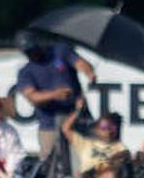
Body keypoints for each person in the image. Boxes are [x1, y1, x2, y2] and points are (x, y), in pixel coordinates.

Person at [15, 31, 96, 160]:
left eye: (33, 49)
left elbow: (81, 63)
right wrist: (54, 95)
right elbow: (32, 97)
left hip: (77, 118)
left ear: (38, 44)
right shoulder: (25, 72)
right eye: (27, 52)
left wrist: (89, 73)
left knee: (87, 158)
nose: (32, 54)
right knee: (49, 164)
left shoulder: (60, 51)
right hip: (50, 124)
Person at [61, 98, 129, 178]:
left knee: (111, 174)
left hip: (104, 174)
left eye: (112, 127)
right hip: (87, 176)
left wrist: (113, 158)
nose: (108, 131)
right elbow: (65, 128)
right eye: (104, 127)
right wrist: (78, 110)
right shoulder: (85, 143)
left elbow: (125, 154)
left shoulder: (118, 145)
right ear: (96, 129)